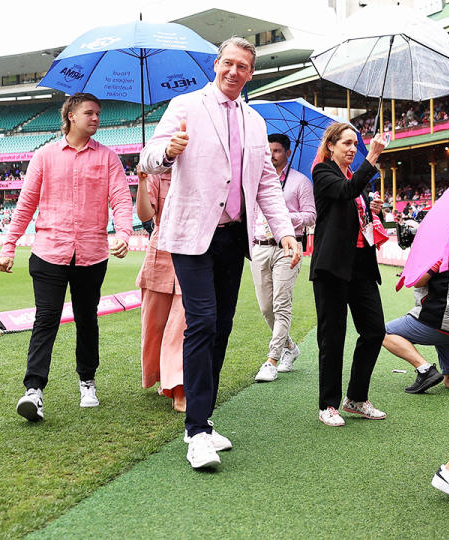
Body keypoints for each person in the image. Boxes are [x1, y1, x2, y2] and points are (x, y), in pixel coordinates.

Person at [139, 37, 300, 469]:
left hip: (233, 238)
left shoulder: (254, 121)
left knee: (223, 326)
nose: (234, 71)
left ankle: (205, 420)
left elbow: (266, 181)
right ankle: (194, 432)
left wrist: (285, 231)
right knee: (203, 321)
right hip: (192, 234)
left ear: (250, 73)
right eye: (228, 63)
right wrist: (168, 153)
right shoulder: (187, 105)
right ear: (216, 64)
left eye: (242, 66)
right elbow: (148, 154)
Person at [0, 93, 132, 422]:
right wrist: (9, 243)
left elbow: (120, 199)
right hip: (48, 252)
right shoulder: (44, 156)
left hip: (92, 254)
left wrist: (125, 233)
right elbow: (27, 202)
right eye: (89, 112)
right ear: (70, 116)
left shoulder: (109, 158)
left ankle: (87, 381)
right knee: (46, 319)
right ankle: (34, 390)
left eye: (99, 113)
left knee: (87, 319)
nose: (96, 118)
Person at [309, 123, 387, 427]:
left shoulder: (358, 180)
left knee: (374, 330)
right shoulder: (322, 172)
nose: (353, 149)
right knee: (332, 336)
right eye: (347, 143)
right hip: (332, 266)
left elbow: (357, 205)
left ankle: (355, 398)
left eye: (356, 144)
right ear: (331, 146)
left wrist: (374, 207)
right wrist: (374, 156)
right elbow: (345, 192)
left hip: (361, 264)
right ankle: (328, 404)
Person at [251, 133, 316, 382]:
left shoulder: (300, 182)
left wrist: (287, 218)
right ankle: (290, 347)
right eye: (268, 151)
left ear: (287, 153)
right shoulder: (258, 180)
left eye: (277, 151)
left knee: (281, 303)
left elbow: (311, 215)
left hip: (287, 247)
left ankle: (272, 360)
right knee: (266, 307)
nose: (271, 155)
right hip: (260, 247)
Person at [135, 171, 186, 413]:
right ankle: (162, 376)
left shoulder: (201, 170)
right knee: (154, 326)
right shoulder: (157, 175)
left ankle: (179, 386)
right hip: (160, 253)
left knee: (182, 326)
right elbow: (145, 215)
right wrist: (142, 181)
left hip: (191, 253)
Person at [382, 258, 449, 393]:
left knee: (381, 332)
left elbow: (417, 282)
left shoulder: (441, 253)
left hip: (437, 320)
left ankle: (425, 370)